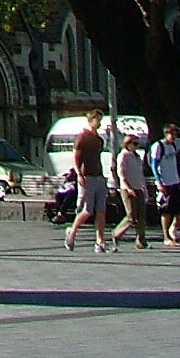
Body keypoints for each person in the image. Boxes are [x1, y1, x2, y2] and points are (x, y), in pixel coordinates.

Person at [65, 108, 113, 254]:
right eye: (97, 120)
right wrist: (79, 174)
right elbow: (75, 157)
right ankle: (72, 232)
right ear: (90, 120)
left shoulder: (99, 139)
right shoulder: (82, 137)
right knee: (87, 210)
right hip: (87, 176)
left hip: (99, 176)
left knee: (101, 210)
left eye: (100, 120)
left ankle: (100, 241)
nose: (99, 123)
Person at [151, 123, 180, 246]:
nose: (173, 137)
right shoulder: (159, 146)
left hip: (175, 181)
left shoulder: (175, 144)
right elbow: (154, 164)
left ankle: (173, 228)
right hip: (165, 182)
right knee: (166, 211)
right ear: (165, 134)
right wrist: (159, 182)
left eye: (174, 134)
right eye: (170, 134)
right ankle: (166, 237)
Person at [110, 131, 149, 249]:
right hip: (127, 189)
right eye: (134, 143)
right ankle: (116, 234)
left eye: (137, 143)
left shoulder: (137, 157)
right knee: (131, 216)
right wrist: (127, 187)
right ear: (127, 144)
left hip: (138, 188)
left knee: (142, 216)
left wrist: (144, 189)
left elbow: (140, 174)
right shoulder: (123, 155)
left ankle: (141, 241)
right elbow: (121, 174)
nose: (136, 146)